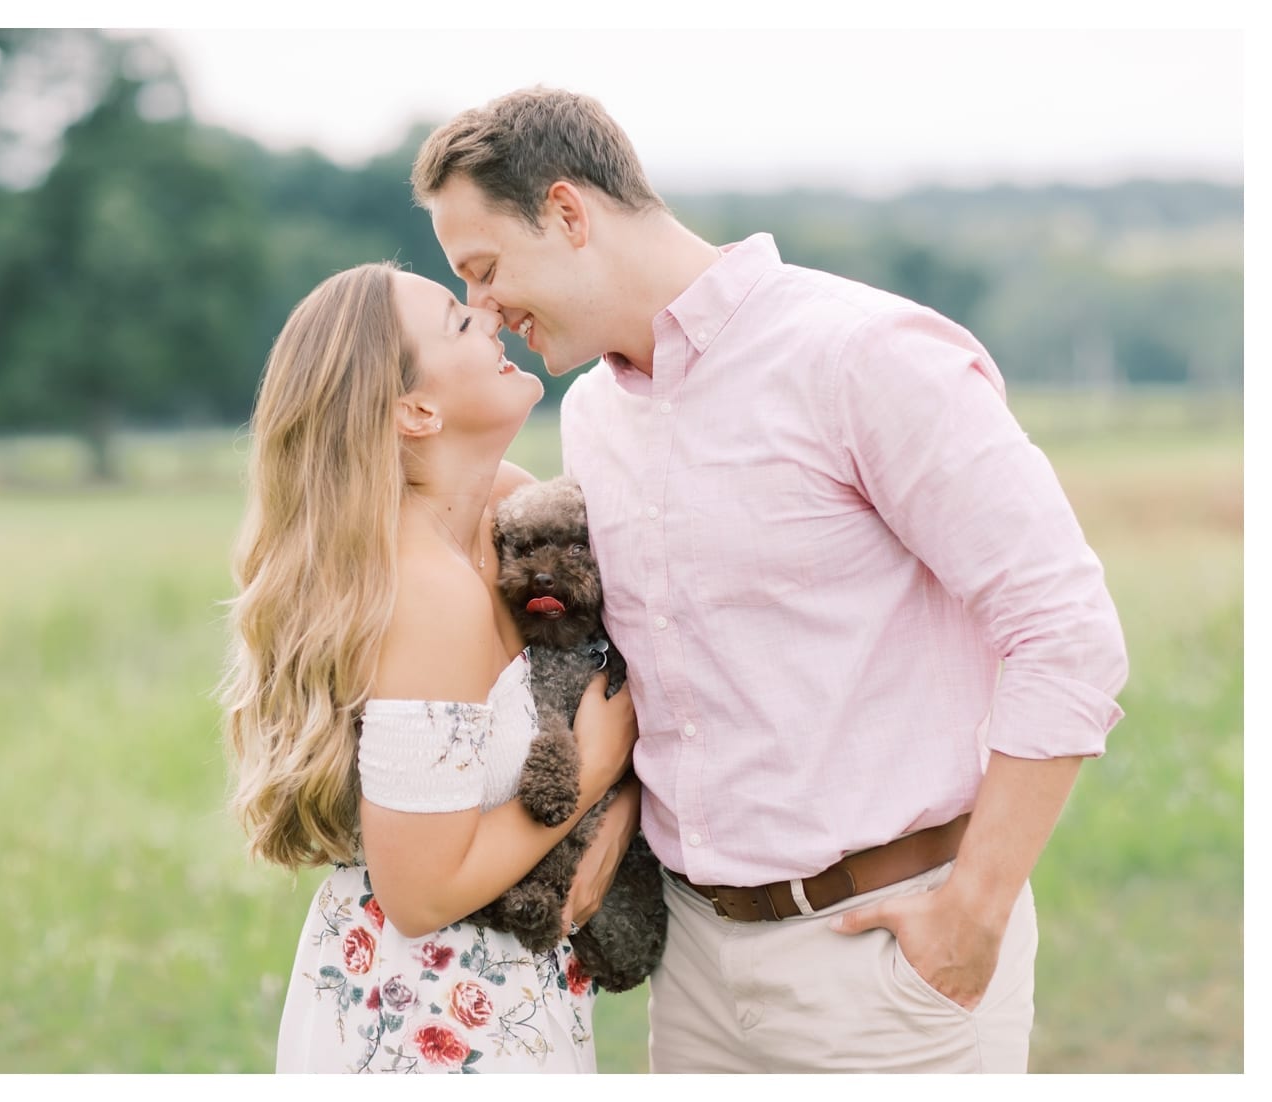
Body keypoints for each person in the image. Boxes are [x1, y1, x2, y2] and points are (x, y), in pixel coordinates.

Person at [411, 87, 1130, 1074]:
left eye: (484, 272)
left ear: (570, 213)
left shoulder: (861, 356)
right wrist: (617, 810)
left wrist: (977, 907)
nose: (482, 314)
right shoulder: (593, 418)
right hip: (696, 969)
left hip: (885, 961)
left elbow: (1065, 629)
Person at [219, 261, 639, 1073]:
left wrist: (617, 814)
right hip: (426, 1021)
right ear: (415, 409)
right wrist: (595, 766)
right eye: (457, 321)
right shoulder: (425, 590)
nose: (490, 315)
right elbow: (420, 896)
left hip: (512, 994)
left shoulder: (510, 514)